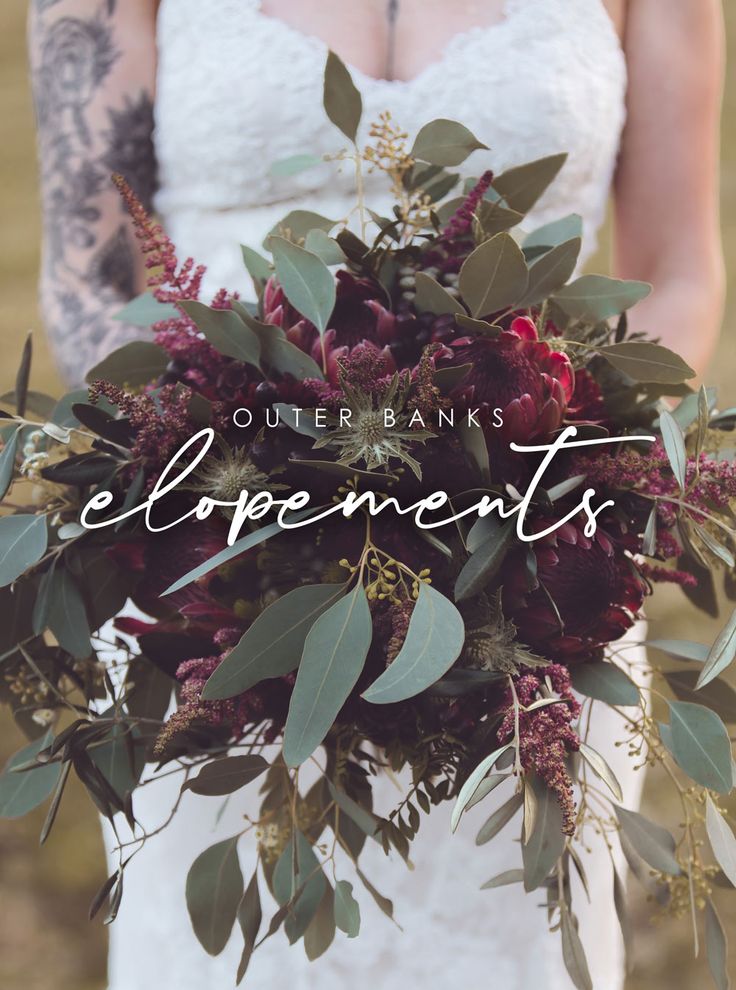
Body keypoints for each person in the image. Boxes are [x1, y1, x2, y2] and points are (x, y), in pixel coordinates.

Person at [28, 2, 725, 988]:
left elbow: (677, 270)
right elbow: (90, 279)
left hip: (524, 572)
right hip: (217, 580)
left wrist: (565, 471)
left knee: (515, 941)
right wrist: (241, 510)